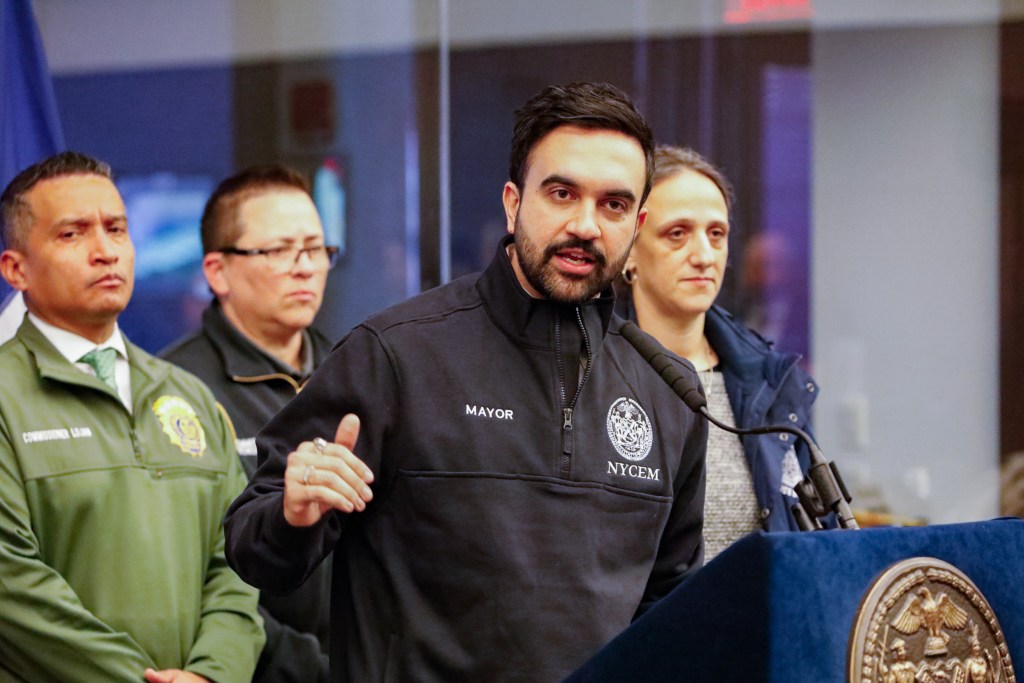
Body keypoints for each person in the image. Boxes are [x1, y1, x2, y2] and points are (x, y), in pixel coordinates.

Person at [223, 82, 707, 682]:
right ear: (512, 203)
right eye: (561, 193)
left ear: (635, 224)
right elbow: (253, 549)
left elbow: (673, 607)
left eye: (612, 205)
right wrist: (292, 513)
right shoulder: (397, 355)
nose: (585, 224)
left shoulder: (667, 391)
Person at [0, 151, 263, 682]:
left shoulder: (185, 393)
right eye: (72, 234)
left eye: (116, 229)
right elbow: (11, 587)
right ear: (15, 268)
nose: (105, 251)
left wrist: (214, 673)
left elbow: (235, 564)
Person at [161, 165, 336, 682]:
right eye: (280, 250)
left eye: (317, 249)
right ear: (217, 272)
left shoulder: (355, 370)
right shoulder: (175, 390)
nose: (305, 268)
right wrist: (304, 667)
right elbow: (193, 571)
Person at [619, 145, 820, 561]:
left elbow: (813, 537)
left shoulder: (771, 379)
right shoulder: (591, 374)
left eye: (716, 234)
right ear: (629, 252)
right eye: (677, 233)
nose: (704, 256)